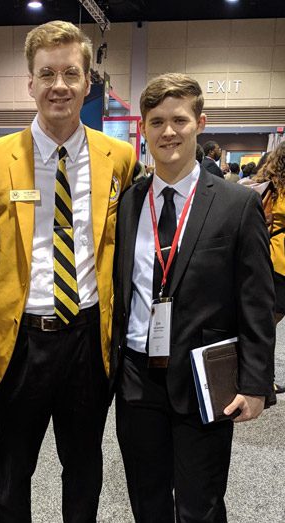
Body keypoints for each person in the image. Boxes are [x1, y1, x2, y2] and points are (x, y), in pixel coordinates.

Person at [0, 20, 136, 523]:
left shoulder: (121, 158)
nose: (58, 85)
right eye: (47, 74)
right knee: (10, 473)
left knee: (84, 470)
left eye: (70, 73)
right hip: (21, 340)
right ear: (30, 84)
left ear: (88, 82)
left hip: (88, 337)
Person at [111, 73, 275, 523]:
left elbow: (256, 299)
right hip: (137, 379)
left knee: (200, 505)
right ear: (142, 128)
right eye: (157, 121)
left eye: (179, 120)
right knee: (146, 500)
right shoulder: (129, 203)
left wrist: (256, 383)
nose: (169, 131)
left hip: (205, 378)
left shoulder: (235, 204)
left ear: (200, 123)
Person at [254, 142, 285, 394]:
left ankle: (267, 377)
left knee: (268, 323)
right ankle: (265, 378)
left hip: (274, 260)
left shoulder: (269, 185)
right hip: (278, 262)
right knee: (269, 322)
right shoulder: (277, 189)